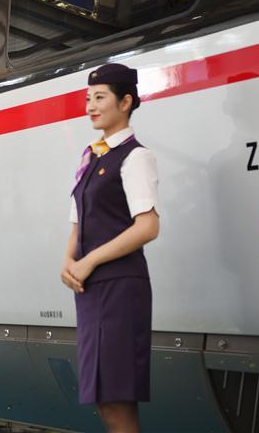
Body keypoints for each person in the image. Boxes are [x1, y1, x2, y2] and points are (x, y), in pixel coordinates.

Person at [61, 62, 160, 433]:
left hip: (120, 288)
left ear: (126, 102)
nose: (91, 106)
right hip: (92, 290)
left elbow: (148, 226)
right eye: (88, 98)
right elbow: (78, 221)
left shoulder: (135, 156)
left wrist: (89, 261)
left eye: (100, 97)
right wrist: (68, 259)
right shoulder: (91, 157)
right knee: (103, 396)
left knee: (117, 398)